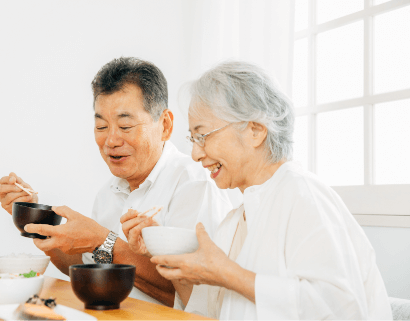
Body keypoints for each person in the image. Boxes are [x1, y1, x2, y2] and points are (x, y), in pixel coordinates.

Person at [123, 61, 393, 320]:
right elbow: (209, 312)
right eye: (193, 139)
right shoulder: (234, 221)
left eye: (203, 135)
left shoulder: (303, 195)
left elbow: (340, 310)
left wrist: (227, 273)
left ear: (255, 131)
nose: (195, 154)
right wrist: (164, 256)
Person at [0, 57, 232, 307]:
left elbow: (197, 298)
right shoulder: (109, 192)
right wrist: (37, 223)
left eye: (125, 125)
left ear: (164, 125)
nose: (111, 140)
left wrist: (102, 239)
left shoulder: (195, 185)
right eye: (101, 126)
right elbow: (92, 268)